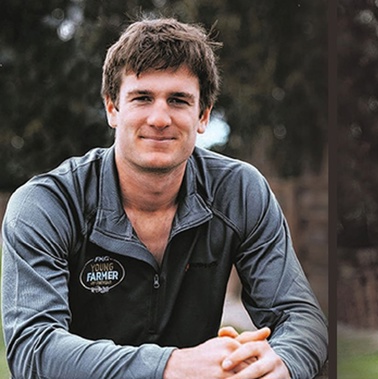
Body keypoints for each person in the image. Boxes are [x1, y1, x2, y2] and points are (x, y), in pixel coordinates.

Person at [1, 18, 327, 379]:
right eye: (142, 98)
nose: (160, 118)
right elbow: (33, 350)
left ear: (202, 115)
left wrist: (281, 364)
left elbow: (300, 317)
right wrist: (172, 366)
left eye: (178, 100)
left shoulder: (240, 191)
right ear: (112, 108)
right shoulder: (46, 204)